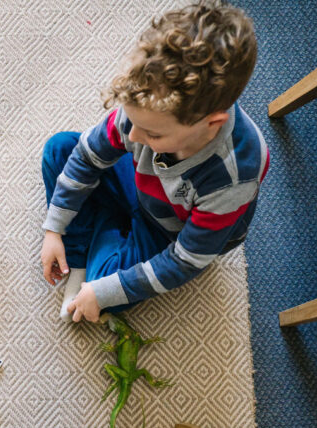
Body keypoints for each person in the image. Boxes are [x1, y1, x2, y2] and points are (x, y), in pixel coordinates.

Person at [40, 1, 267, 323]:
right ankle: (78, 255)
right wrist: (54, 228)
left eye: (152, 133)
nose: (131, 136)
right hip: (140, 185)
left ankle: (97, 225)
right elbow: (88, 153)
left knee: (107, 294)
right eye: (130, 121)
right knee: (59, 149)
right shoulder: (148, 106)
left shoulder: (232, 177)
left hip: (167, 232)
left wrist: (103, 292)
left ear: (211, 123)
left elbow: (186, 260)